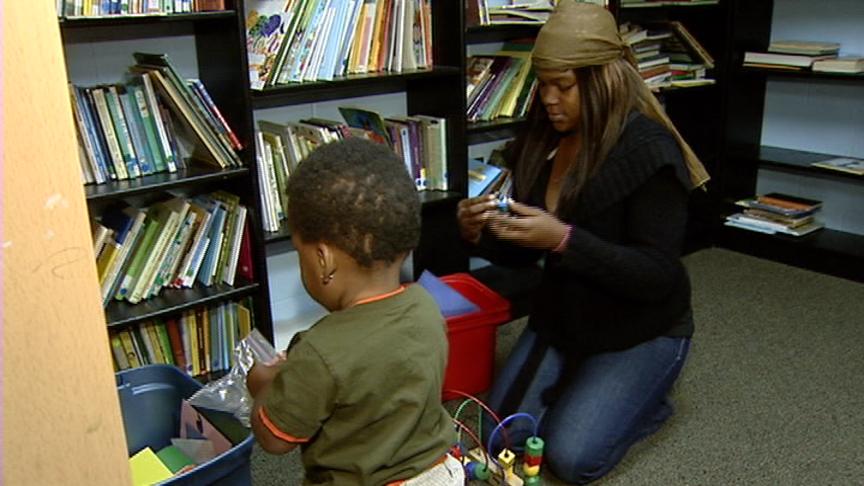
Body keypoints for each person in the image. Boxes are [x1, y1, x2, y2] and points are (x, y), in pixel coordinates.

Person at [457, 1, 710, 483]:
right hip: (566, 315)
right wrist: (479, 233)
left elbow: (658, 276)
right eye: (543, 83)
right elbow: (527, 250)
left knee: (572, 459)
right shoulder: (544, 136)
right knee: (501, 437)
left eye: (564, 86)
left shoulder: (649, 151)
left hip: (642, 326)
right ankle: (585, 385)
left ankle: (647, 406)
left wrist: (566, 240)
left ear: (601, 81)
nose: (549, 98)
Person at [247, 138, 463, 485]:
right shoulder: (426, 305)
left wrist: (262, 386)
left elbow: (274, 439)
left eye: (298, 252)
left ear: (323, 260)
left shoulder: (319, 351)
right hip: (439, 474)